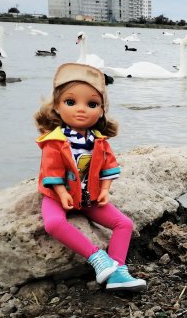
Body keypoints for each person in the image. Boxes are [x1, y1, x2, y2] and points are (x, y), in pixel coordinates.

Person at [33, 63, 146, 291]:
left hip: (89, 197)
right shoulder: (54, 141)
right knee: (54, 223)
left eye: (92, 104)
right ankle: (98, 259)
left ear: (102, 109)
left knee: (123, 223)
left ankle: (118, 271)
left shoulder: (99, 141)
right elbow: (51, 170)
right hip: (58, 196)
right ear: (56, 106)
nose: (81, 109)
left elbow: (109, 167)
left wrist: (104, 190)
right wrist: (61, 192)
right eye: (70, 102)